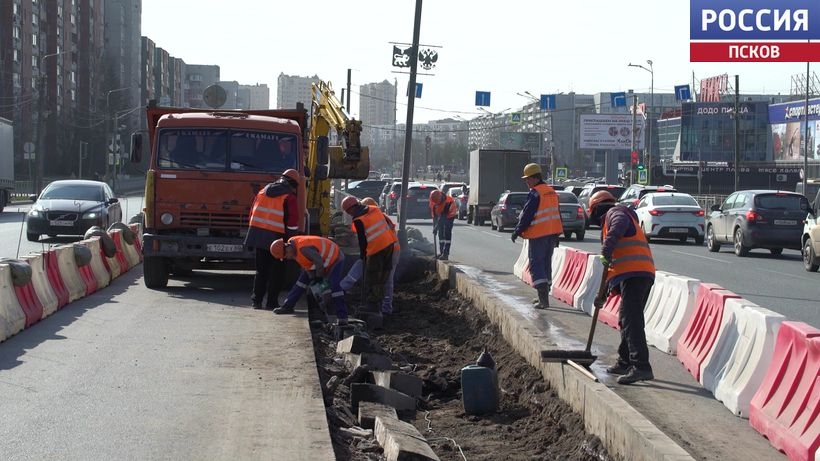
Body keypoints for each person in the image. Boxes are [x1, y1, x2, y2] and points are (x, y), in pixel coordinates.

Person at [588, 190, 656, 385]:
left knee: (631, 319)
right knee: (626, 318)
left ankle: (641, 366)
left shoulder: (616, 213)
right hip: (636, 274)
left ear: (596, 209)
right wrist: (605, 293)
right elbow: (614, 266)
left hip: (636, 274)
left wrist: (606, 248)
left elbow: (619, 228)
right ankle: (625, 361)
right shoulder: (617, 215)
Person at [243, 169, 301, 310]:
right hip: (278, 239)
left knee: (261, 271)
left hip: (258, 236)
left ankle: (256, 301)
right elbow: (292, 222)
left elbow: (251, 213)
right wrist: (292, 241)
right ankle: (272, 303)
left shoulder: (263, 191)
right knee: (277, 272)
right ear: (293, 184)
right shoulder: (289, 197)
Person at [511, 163, 563, 309]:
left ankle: (543, 300)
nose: (526, 182)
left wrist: (517, 231)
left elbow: (527, 214)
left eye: (528, 179)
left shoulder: (535, 193)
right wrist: (557, 234)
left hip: (539, 234)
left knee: (536, 264)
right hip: (551, 234)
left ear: (535, 178)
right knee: (546, 264)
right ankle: (544, 297)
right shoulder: (551, 191)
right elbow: (556, 214)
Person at [340, 197, 400, 314]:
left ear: (350, 209)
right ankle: (384, 307)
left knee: (373, 278)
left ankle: (374, 306)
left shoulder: (359, 219)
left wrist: (363, 255)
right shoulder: (376, 211)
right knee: (384, 278)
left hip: (376, 250)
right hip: (390, 247)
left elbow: (363, 241)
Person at [269, 236, 349, 323]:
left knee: (334, 286)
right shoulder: (294, 249)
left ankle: (342, 317)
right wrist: (315, 285)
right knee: (301, 282)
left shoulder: (303, 248)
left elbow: (319, 263)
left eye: (285, 255)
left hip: (335, 257)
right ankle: (287, 306)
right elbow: (308, 268)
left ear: (287, 248)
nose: (287, 258)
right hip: (322, 261)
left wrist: (319, 281)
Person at [429, 189, 457, 260]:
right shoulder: (433, 199)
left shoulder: (448, 202)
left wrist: (436, 227)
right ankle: (441, 252)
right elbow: (434, 214)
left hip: (449, 216)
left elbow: (442, 218)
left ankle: (445, 253)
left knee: (446, 233)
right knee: (440, 233)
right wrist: (435, 224)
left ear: (440, 198)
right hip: (441, 215)